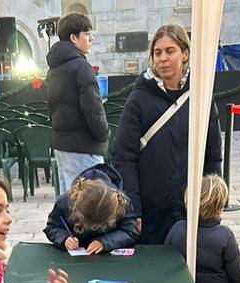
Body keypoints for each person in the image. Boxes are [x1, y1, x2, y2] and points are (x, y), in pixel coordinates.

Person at [112, 24, 223, 245]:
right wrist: (133, 208)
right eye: (157, 52)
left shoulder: (201, 96)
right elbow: (124, 158)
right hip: (151, 211)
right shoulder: (138, 99)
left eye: (170, 51)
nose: (162, 58)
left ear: (185, 54)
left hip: (191, 210)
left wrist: (213, 202)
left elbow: (212, 155)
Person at [165, 175, 240, 283]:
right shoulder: (224, 235)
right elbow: (235, 270)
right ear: (220, 206)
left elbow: (165, 260)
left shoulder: (178, 229)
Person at [45, 13, 108, 193]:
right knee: (90, 206)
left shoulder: (54, 68)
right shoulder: (81, 67)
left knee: (70, 203)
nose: (91, 38)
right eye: (87, 33)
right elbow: (93, 110)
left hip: (62, 146)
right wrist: (103, 135)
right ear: (73, 37)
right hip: (84, 147)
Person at [43, 162, 138, 255]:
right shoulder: (64, 203)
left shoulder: (120, 202)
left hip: (109, 259)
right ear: (76, 208)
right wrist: (64, 239)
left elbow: (130, 231)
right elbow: (52, 227)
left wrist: (105, 242)